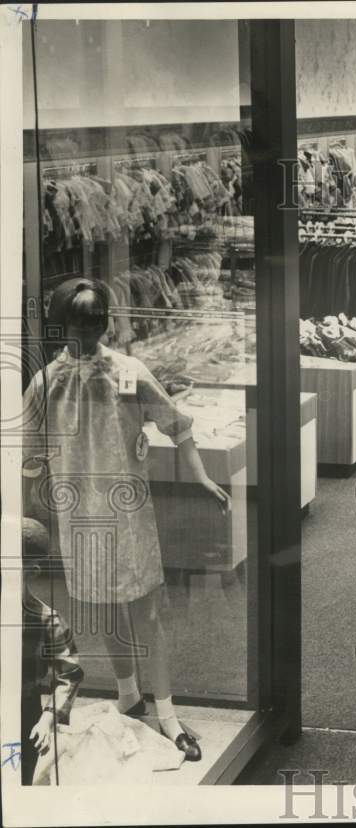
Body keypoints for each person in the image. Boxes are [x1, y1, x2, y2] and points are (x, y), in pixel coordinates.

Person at [21, 277, 231, 762]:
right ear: (62, 325)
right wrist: (30, 502)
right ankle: (129, 698)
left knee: (148, 613)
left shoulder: (128, 371)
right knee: (108, 611)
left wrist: (199, 476)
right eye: (79, 323)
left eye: (95, 322)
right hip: (79, 517)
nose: (88, 331)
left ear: (105, 322)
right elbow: (28, 455)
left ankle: (168, 714)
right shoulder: (46, 383)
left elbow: (176, 425)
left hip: (129, 511)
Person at [20, 517, 84, 785]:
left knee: (18, 778)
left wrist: (47, 719)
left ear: (31, 571)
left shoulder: (47, 620)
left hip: (24, 713)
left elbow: (69, 674)